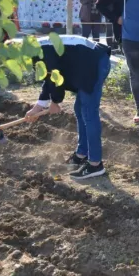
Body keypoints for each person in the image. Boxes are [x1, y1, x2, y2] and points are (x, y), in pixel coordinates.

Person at [24, 36, 112, 180]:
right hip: (89, 64)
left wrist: (55, 102)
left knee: (89, 113)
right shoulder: (39, 48)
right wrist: (38, 107)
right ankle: (81, 154)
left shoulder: (41, 51)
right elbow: (48, 78)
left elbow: (53, 74)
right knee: (80, 109)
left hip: (94, 64)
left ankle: (95, 164)